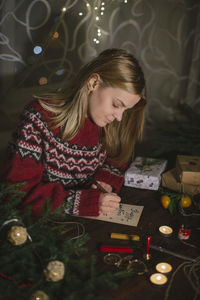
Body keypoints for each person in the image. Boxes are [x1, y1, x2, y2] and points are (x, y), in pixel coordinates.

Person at [0, 48, 146, 217]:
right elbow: (16, 194)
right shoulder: (38, 118)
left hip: (85, 225)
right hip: (38, 228)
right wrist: (83, 201)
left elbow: (119, 159)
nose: (119, 117)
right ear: (93, 83)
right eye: (116, 104)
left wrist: (104, 180)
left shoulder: (108, 122)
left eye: (125, 110)